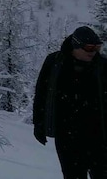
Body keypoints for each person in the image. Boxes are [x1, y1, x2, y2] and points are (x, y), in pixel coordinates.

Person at [33, 25, 107, 179]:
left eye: (97, 47)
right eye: (89, 48)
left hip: (99, 135)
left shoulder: (102, 66)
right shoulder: (55, 63)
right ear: (76, 46)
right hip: (67, 134)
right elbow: (41, 94)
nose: (93, 52)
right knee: (73, 175)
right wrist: (39, 123)